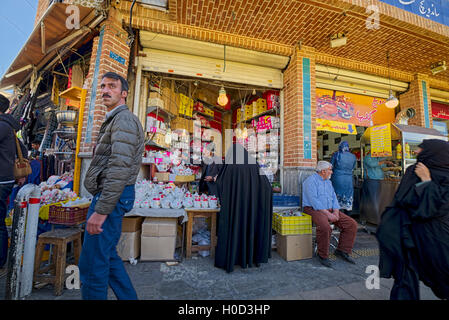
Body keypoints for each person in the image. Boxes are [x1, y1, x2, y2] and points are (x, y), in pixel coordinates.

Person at [79, 72, 144, 300]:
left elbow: (119, 167)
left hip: (111, 196)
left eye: (112, 86)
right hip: (112, 194)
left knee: (92, 265)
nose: (106, 90)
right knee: (106, 257)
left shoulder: (123, 119)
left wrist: (101, 210)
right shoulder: (114, 119)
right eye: (103, 86)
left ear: (123, 93)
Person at [376, 139, 449, 300]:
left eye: (421, 150)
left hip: (436, 239)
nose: (416, 152)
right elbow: (402, 200)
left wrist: (426, 182)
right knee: (405, 278)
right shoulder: (413, 170)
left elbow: (437, 207)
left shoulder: (441, 175)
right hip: (407, 236)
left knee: (443, 277)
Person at [214, 143, 272, 273]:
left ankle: (233, 258)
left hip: (234, 208)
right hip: (251, 208)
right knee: (250, 228)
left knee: (233, 228)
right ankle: (251, 258)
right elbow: (267, 187)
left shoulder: (231, 165)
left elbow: (220, 183)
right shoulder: (253, 164)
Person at [302, 161, 358, 268]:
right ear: (323, 171)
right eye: (330, 170)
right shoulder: (310, 181)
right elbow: (314, 201)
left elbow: (333, 198)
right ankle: (322, 255)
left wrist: (336, 211)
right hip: (313, 209)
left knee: (351, 224)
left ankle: (342, 251)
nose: (332, 172)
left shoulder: (328, 182)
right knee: (325, 226)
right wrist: (329, 215)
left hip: (330, 209)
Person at [0, 94, 27, 270]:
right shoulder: (8, 126)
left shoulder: (2, 126)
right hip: (6, 179)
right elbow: (23, 149)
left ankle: (1, 259)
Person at [330, 141, 357, 215]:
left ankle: (338, 216)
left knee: (337, 196)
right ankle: (348, 218)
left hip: (337, 178)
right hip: (348, 180)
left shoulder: (336, 154)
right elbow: (353, 167)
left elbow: (330, 166)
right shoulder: (353, 156)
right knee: (348, 196)